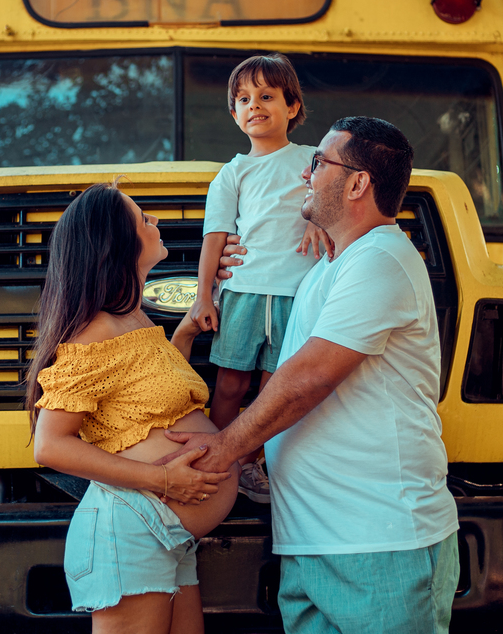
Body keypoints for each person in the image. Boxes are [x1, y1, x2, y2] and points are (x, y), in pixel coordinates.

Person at [166, 117, 460, 634]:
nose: (304, 172)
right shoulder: (331, 265)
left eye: (319, 162)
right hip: (311, 542)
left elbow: (308, 379)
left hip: (379, 543)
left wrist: (223, 449)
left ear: (357, 183)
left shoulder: (381, 261)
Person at [28, 183, 238, 633]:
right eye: (143, 218)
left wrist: (182, 335)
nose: (156, 222)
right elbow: (49, 446)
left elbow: (146, 401)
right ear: (115, 241)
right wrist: (163, 479)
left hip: (165, 531)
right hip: (132, 528)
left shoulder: (133, 319)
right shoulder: (95, 332)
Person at [189, 53, 332, 503]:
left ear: (292, 107)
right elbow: (214, 238)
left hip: (296, 294)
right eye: (244, 99)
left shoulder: (315, 160)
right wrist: (203, 297)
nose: (255, 105)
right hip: (244, 292)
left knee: (273, 389)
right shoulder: (233, 172)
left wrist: (317, 218)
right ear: (234, 114)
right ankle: (215, 455)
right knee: (230, 383)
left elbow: (328, 201)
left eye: (267, 96)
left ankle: (252, 464)